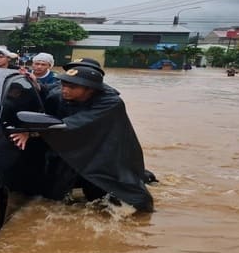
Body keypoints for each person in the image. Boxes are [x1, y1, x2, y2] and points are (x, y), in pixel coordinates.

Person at [10, 62, 154, 213]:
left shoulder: (110, 102)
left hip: (104, 151)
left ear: (90, 90)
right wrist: (34, 83)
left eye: (71, 87)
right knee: (54, 193)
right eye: (63, 84)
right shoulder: (61, 93)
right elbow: (47, 93)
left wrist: (32, 131)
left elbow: (75, 123)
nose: (64, 89)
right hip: (74, 148)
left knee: (118, 196)